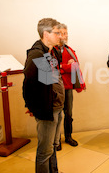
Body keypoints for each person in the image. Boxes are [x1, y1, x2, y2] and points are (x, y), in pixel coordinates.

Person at [23, 18, 64, 173]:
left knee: (53, 146)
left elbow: (50, 80)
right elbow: (29, 83)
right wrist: (32, 105)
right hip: (47, 110)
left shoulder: (49, 52)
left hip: (56, 107)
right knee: (44, 151)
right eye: (57, 33)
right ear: (46, 34)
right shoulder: (37, 55)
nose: (60, 36)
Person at [57, 24, 86, 150]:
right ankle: (56, 140)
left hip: (68, 86)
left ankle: (68, 136)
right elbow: (52, 68)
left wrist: (63, 67)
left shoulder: (70, 50)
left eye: (66, 33)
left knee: (68, 114)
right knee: (57, 115)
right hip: (55, 87)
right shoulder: (50, 50)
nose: (66, 35)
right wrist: (65, 66)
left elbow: (76, 66)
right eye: (63, 33)